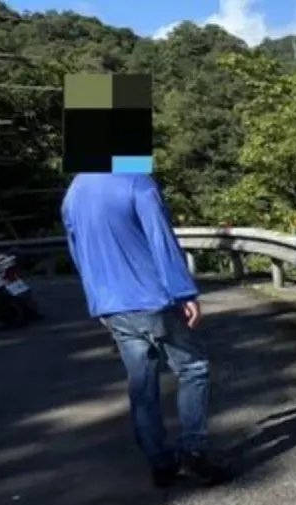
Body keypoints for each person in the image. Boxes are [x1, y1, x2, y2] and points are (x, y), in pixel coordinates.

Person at [61, 173, 230, 487]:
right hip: (154, 299)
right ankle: (194, 448)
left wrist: (97, 301)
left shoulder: (76, 190)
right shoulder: (136, 182)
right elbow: (160, 239)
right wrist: (184, 292)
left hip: (113, 306)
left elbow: (78, 252)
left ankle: (159, 461)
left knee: (142, 383)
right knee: (193, 367)